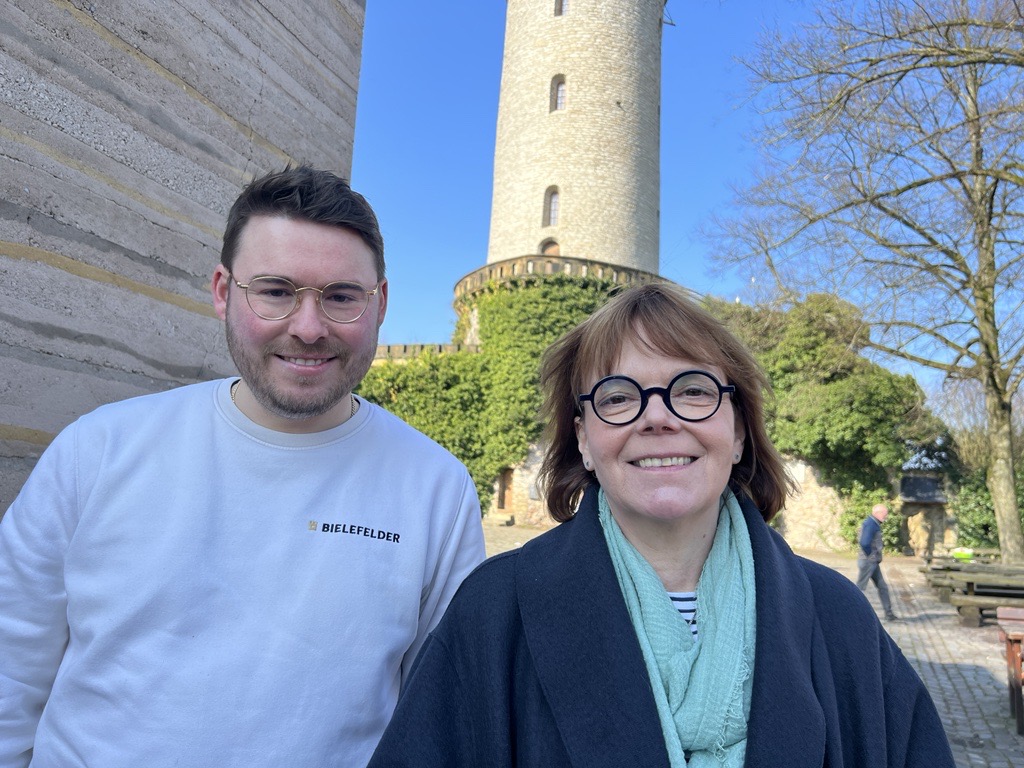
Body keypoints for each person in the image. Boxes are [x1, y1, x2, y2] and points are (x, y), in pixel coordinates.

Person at [0, 166, 485, 767]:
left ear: (379, 304)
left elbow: (439, 717)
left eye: (341, 297)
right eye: (276, 291)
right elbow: (10, 671)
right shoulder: (97, 451)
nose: (308, 328)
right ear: (223, 291)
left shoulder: (436, 491)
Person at [368, 282, 954, 767]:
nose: (657, 418)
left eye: (693, 391)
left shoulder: (840, 617)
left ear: (739, 430)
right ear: (584, 439)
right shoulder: (495, 611)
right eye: (618, 397)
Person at [858, 503, 899, 621]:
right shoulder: (871, 524)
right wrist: (871, 555)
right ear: (878, 513)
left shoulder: (873, 523)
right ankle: (848, 611)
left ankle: (889, 613)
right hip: (868, 562)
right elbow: (864, 542)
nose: (886, 517)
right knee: (859, 588)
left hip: (872, 562)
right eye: (885, 514)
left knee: (882, 586)